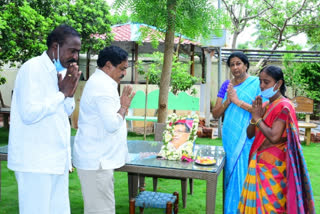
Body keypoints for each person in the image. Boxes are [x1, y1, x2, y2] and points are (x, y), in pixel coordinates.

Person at [7, 24, 81, 214]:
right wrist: (61, 94)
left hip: (57, 161)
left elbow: (65, 112)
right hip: (35, 161)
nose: (75, 57)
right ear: (55, 46)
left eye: (78, 52)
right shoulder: (32, 69)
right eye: (72, 51)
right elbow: (29, 113)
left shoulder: (61, 72)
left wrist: (69, 93)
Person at [238, 65, 315, 213]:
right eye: (260, 81)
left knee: (272, 207)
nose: (262, 85)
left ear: (278, 84)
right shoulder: (266, 105)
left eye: (266, 82)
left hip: (273, 167)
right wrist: (255, 118)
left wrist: (258, 118)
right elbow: (250, 134)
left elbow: (274, 137)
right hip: (258, 163)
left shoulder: (284, 106)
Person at [72, 45, 135, 214]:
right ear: (108, 65)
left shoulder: (102, 82)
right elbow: (112, 125)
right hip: (97, 162)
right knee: (102, 210)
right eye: (122, 69)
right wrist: (123, 107)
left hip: (96, 160)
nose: (124, 74)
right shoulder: (103, 88)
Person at [211, 51, 262, 213]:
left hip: (248, 136)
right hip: (230, 136)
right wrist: (228, 100)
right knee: (231, 175)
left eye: (238, 63)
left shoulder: (256, 83)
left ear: (246, 65)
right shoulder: (226, 86)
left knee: (246, 174)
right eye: (232, 64)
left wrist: (238, 102)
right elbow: (215, 113)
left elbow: (261, 111)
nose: (235, 67)